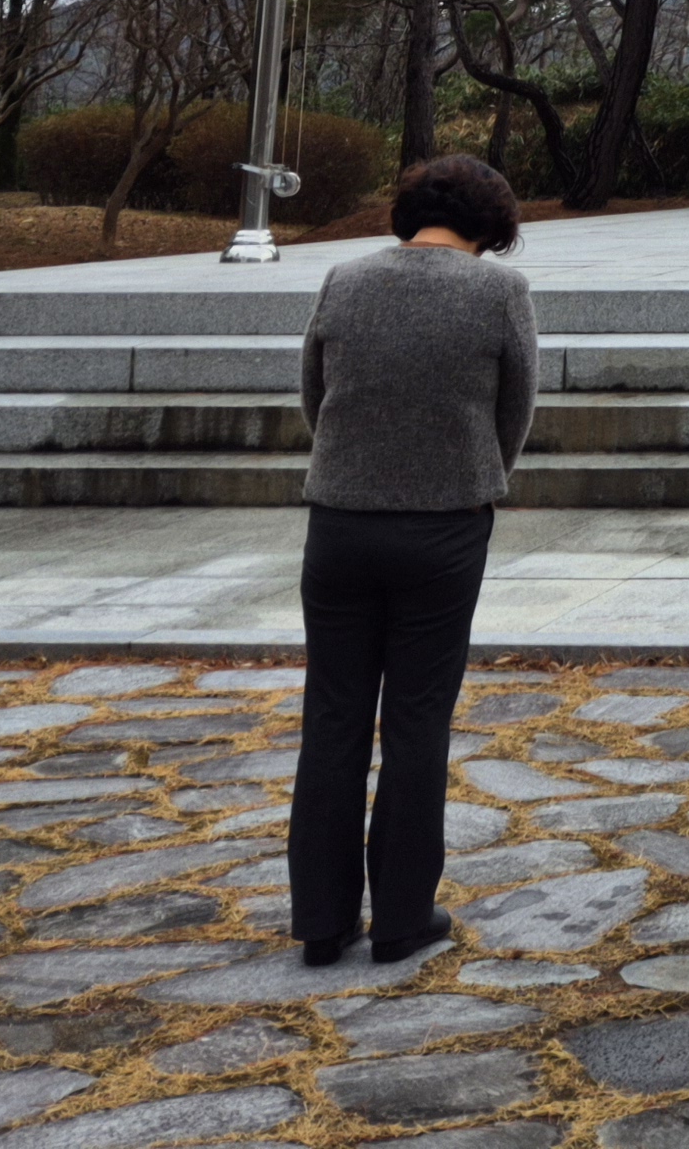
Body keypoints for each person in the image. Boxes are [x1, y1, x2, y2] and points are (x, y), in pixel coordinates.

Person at [289, 152, 539, 967]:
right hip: (443, 524)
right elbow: (516, 408)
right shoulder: (500, 293)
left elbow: (313, 392)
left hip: (340, 520)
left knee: (332, 716)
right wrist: (475, 474)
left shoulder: (344, 279)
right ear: (491, 225)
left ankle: (321, 920)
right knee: (417, 719)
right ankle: (401, 916)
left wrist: (351, 460)